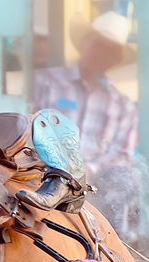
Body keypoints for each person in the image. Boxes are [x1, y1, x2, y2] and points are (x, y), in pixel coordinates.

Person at [30, 11, 141, 237]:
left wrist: (89, 169)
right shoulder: (46, 82)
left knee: (125, 178)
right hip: (43, 168)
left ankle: (112, 250)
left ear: (116, 59)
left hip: (95, 182)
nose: (100, 53)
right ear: (84, 42)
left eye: (109, 50)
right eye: (97, 43)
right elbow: (28, 121)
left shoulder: (123, 107)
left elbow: (123, 154)